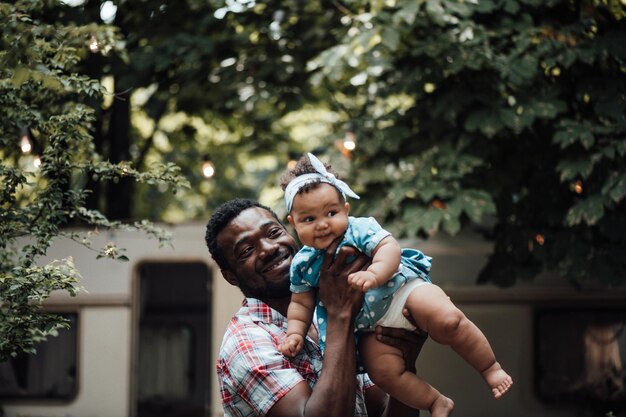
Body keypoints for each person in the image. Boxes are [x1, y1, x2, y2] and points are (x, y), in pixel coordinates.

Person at [278, 153, 513, 417]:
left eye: (330, 213)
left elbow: (389, 247)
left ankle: (490, 367)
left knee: (449, 321)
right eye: (308, 219)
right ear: (293, 223)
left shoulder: (358, 229)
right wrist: (295, 333)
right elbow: (300, 303)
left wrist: (375, 274)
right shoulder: (303, 264)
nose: (322, 225)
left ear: (346, 209)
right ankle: (435, 400)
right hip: (369, 328)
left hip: (402, 291)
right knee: (384, 373)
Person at [205, 198, 425, 417]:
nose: (269, 249)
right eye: (247, 250)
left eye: (273, 233)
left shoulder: (327, 308)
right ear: (231, 276)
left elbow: (379, 409)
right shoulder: (246, 341)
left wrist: (403, 369)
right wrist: (339, 316)